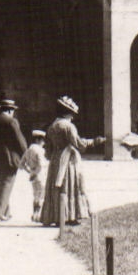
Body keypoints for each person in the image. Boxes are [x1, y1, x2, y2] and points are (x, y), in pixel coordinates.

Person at [40, 96, 103, 228]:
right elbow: (79, 144)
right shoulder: (68, 126)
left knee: (56, 186)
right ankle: (70, 216)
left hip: (56, 160)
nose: (73, 117)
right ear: (67, 112)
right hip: (68, 160)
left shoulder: (52, 126)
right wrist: (94, 141)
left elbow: (48, 148)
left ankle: (56, 216)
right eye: (72, 114)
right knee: (70, 185)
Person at [0, 96, 28, 222]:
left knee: (3, 182)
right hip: (10, 158)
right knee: (7, 184)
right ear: (9, 110)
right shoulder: (11, 121)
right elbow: (20, 141)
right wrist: (27, 154)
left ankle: (6, 213)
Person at [19, 130, 48, 222]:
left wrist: (30, 172)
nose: (44, 143)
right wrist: (36, 172)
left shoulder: (28, 150)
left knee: (35, 195)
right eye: (42, 141)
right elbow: (41, 164)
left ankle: (34, 214)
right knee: (41, 195)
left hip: (33, 175)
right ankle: (38, 215)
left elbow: (21, 164)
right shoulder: (40, 150)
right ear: (37, 140)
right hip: (40, 175)